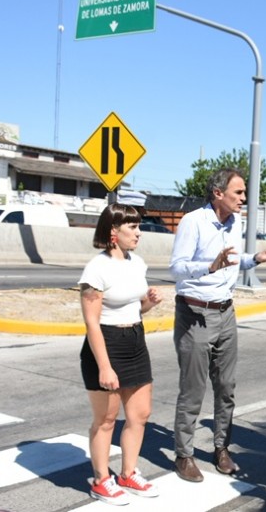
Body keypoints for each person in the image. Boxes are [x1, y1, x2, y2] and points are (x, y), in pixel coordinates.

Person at [169, 168, 266, 483]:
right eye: (239, 192)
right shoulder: (193, 221)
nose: (244, 198)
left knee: (226, 387)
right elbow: (176, 268)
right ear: (218, 193)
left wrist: (255, 258)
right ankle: (184, 455)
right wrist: (209, 266)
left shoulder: (234, 222)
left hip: (226, 312)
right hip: (195, 312)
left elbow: (233, 260)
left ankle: (221, 448)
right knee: (193, 389)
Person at [79, 203, 164, 505]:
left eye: (139, 226)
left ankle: (128, 473)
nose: (139, 233)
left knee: (140, 414)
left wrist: (149, 303)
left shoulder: (137, 263)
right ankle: (101, 480)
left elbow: (134, 307)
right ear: (114, 231)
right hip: (106, 344)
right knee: (106, 419)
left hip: (135, 341)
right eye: (133, 227)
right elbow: (92, 322)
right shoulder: (96, 268)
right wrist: (104, 366)